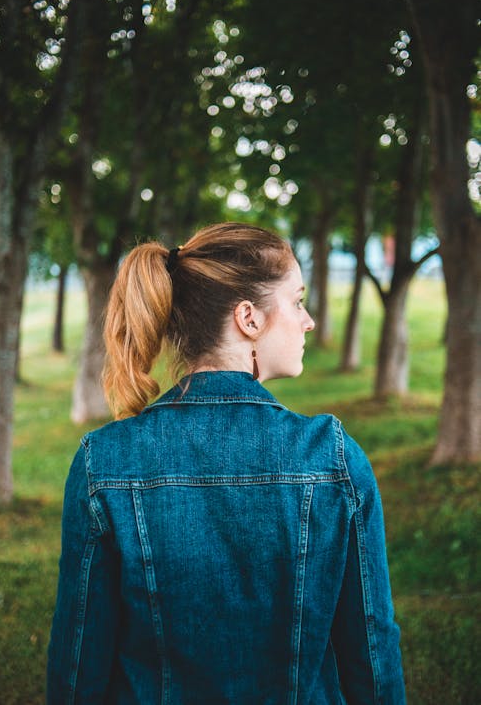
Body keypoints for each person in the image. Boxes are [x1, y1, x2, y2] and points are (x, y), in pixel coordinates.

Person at [47, 222, 406, 704]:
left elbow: (77, 669)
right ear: (248, 318)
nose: (309, 321)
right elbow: (372, 657)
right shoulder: (333, 457)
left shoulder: (104, 463)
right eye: (297, 301)